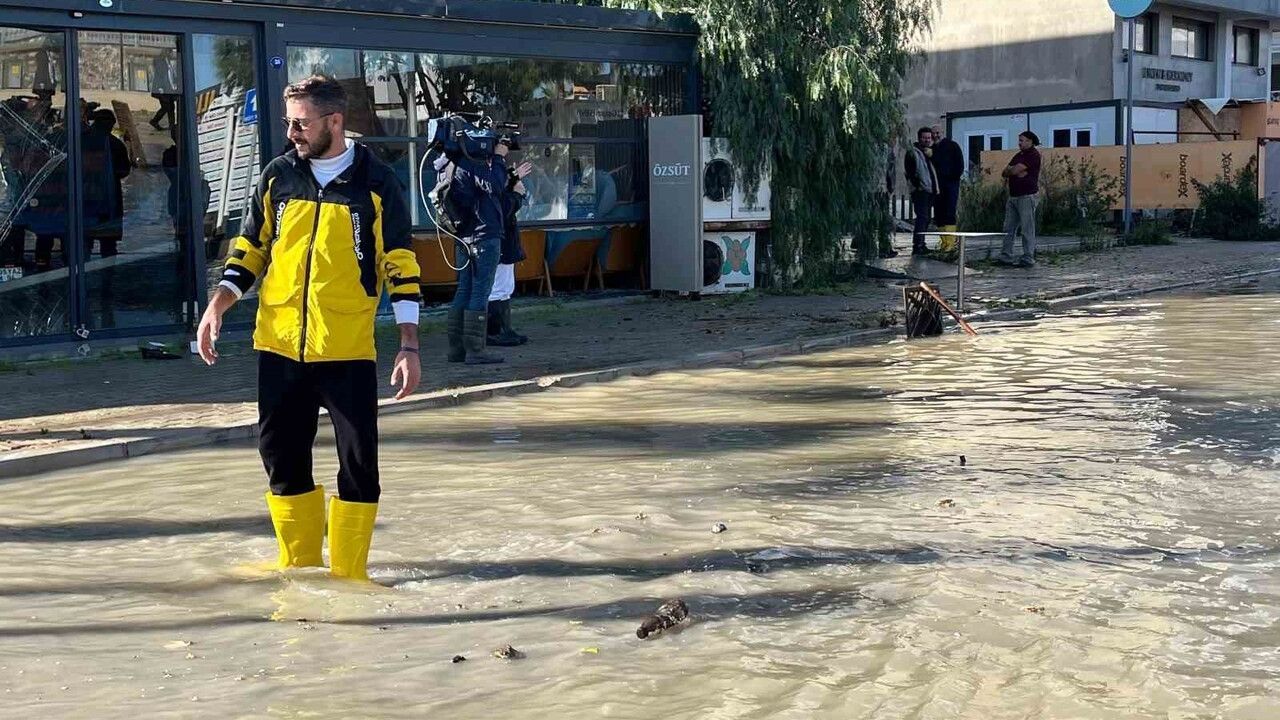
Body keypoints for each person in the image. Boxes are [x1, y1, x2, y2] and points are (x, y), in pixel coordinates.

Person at [196, 75, 422, 582]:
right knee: (278, 455)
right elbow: (249, 250)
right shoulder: (278, 177)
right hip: (279, 347)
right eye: (289, 122)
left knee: (359, 464)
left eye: (301, 122)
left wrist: (408, 345)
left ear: (334, 122)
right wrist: (218, 307)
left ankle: (350, 578)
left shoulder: (378, 183)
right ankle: (297, 570)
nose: (293, 132)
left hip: (346, 351)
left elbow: (400, 263)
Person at [444, 131, 510, 365]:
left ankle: (456, 350)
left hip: (464, 237)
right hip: (483, 236)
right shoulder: (473, 164)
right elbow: (495, 185)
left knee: (464, 289)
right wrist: (500, 157)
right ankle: (475, 350)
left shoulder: (452, 164)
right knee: (480, 291)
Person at [487, 138, 533, 347]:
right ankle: (496, 331)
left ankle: (503, 329)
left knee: (504, 286)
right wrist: (517, 193)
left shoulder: (489, 175)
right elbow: (503, 205)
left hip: (503, 239)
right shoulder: (489, 177)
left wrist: (513, 179)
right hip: (501, 239)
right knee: (499, 286)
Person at [999, 131, 1042, 267]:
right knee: (1008, 228)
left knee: (1027, 228)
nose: (1019, 143)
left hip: (1027, 195)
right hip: (1013, 195)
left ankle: (1028, 257)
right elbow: (1006, 172)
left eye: (1022, 140)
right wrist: (1013, 170)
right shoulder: (1018, 155)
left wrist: (1015, 170)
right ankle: (1006, 256)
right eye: (1019, 140)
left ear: (1030, 141)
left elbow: (1015, 170)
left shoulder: (1033, 155)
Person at [904, 126, 938, 255]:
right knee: (922, 217)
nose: (927, 140)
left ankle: (921, 243)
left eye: (929, 138)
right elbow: (910, 171)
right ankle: (917, 245)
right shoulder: (913, 152)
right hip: (920, 190)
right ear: (919, 138)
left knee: (926, 218)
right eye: (924, 137)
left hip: (930, 189)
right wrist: (917, 185)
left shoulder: (929, 152)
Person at [931, 124, 964, 252]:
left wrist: (953, 177)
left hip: (950, 184)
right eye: (934, 133)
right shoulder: (932, 148)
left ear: (942, 132)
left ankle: (950, 242)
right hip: (937, 186)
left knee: (949, 212)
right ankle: (944, 242)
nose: (935, 135)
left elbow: (960, 164)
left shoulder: (952, 146)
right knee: (939, 213)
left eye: (938, 133)